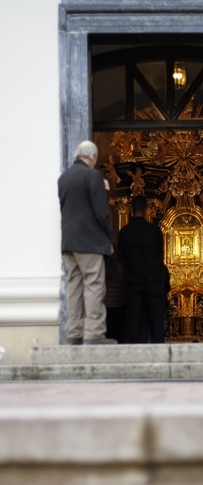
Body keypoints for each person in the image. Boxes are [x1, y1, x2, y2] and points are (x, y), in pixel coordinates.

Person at [58, 140, 117, 345]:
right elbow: (101, 212)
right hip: (89, 242)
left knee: (74, 286)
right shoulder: (93, 175)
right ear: (92, 157)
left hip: (69, 243)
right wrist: (110, 238)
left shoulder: (63, 178)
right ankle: (94, 334)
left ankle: (74, 333)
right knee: (94, 285)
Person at [118, 195, 165, 343]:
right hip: (153, 281)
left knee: (134, 319)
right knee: (156, 320)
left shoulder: (124, 233)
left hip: (132, 282)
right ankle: (159, 349)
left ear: (131, 210)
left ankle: (134, 351)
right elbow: (159, 257)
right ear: (146, 210)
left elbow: (122, 257)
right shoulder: (155, 231)